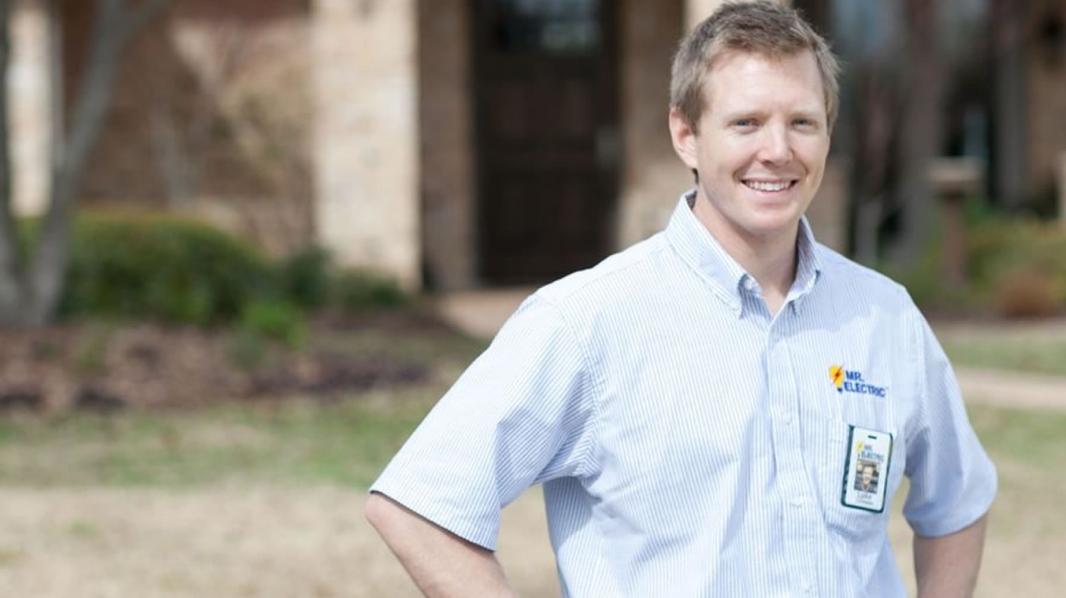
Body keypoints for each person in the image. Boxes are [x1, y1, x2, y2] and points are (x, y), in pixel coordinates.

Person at [365, 3, 997, 596]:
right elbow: (419, 505)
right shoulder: (586, 322)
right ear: (686, 134)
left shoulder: (885, 316)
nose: (777, 151)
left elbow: (958, 502)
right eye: (746, 122)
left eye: (802, 122)